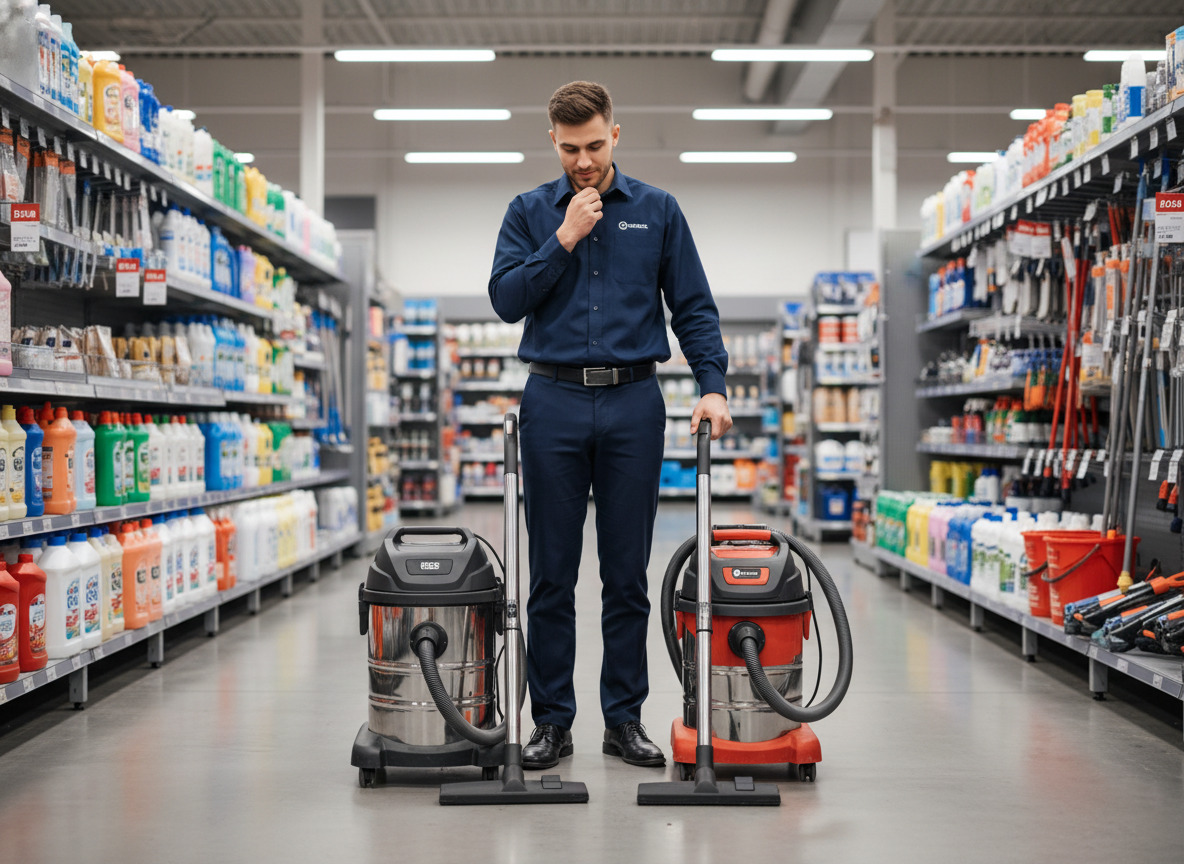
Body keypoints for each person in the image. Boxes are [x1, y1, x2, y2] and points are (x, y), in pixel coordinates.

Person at [488, 81, 731, 770]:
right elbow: (506, 300)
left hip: (633, 405)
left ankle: (623, 719)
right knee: (551, 578)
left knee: (626, 576)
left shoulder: (657, 211)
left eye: (595, 145)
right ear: (552, 142)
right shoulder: (530, 212)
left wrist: (711, 387)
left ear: (615, 135)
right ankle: (552, 723)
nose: (584, 160)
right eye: (570, 149)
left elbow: (694, 308)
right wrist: (564, 237)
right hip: (552, 403)